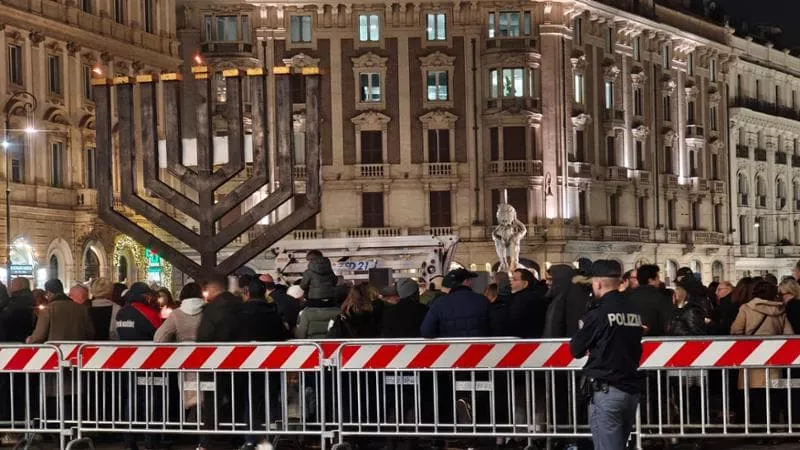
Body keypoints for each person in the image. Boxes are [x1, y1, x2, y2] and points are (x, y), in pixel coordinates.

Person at [570, 260, 643, 450]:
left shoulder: (598, 313)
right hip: (630, 389)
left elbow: (576, 349)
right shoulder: (633, 309)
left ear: (598, 283)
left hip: (606, 390)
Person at [731, 280, 794, 428]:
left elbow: (735, 331)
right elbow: (789, 334)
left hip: (751, 360)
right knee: (772, 398)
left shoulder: (746, 308)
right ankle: (771, 430)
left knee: (754, 398)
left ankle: (757, 431)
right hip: (774, 361)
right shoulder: (780, 310)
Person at [421, 268, 489, 338]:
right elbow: (494, 328)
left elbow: (426, 331)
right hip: (480, 347)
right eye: (470, 280)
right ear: (466, 281)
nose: (472, 282)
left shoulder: (439, 303)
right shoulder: (482, 300)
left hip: (448, 347)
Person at [28, 279, 94, 343]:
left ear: (48, 293)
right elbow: (90, 333)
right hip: (78, 350)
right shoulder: (82, 309)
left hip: (56, 351)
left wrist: (29, 340)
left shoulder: (48, 310)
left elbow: (39, 336)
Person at [543, 264, 591, 338]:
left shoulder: (574, 297)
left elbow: (573, 327)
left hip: (564, 346)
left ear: (560, 279)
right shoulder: (558, 296)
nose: (547, 282)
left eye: (551, 279)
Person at [626, 264, 673, 336]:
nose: (659, 281)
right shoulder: (663, 297)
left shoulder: (628, 297)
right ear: (650, 280)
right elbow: (667, 323)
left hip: (632, 339)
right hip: (656, 340)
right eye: (657, 278)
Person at [196, 275, 242, 342]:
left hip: (217, 350)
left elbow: (204, 337)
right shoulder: (240, 304)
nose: (207, 290)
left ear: (213, 287)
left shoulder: (211, 309)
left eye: (207, 287)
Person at [508, 268, 549, 338]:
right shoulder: (538, 296)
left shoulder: (521, 299)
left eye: (515, 280)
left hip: (522, 339)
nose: (511, 282)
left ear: (525, 283)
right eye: (511, 279)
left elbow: (514, 320)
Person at [1, 277, 35, 343]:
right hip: (24, 336)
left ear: (19, 285)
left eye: (12, 284)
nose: (9, 287)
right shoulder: (30, 298)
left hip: (14, 339)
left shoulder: (18, 301)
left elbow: (5, 316)